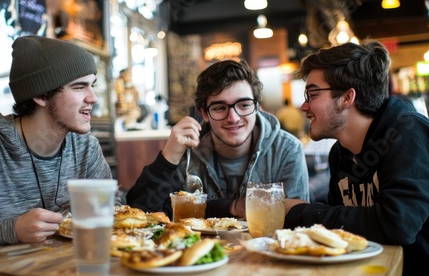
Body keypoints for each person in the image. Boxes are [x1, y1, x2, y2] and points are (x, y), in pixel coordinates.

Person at [279, 40, 429, 276]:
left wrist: (300, 211)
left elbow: (396, 226)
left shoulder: (409, 134)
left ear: (347, 97)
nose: (304, 105)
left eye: (312, 94)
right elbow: (340, 235)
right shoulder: (341, 153)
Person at [0, 36, 115, 255]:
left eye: (92, 86)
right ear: (41, 94)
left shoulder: (85, 148)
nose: (93, 98)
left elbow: (115, 215)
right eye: (79, 87)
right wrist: (11, 231)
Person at [127, 59, 309, 219]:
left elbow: (295, 220)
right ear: (204, 113)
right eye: (220, 108)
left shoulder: (287, 149)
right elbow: (140, 215)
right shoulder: (186, 151)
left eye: (244, 105)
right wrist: (167, 158)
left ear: (257, 106)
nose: (233, 118)